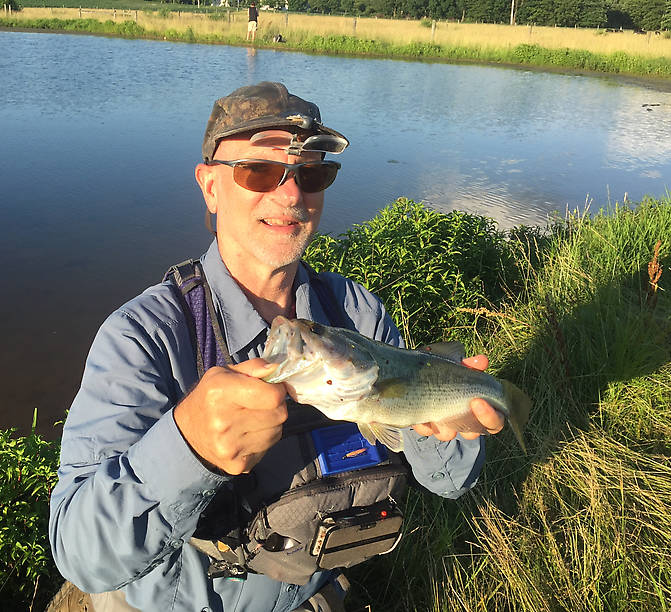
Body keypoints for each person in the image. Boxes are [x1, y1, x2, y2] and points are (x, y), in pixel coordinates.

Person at [48, 81, 504, 612]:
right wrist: (187, 446)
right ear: (210, 187)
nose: (290, 195)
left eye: (311, 172)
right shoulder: (143, 337)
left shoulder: (357, 313)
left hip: (309, 593)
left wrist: (453, 421)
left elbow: (448, 480)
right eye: (259, 171)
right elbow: (81, 555)